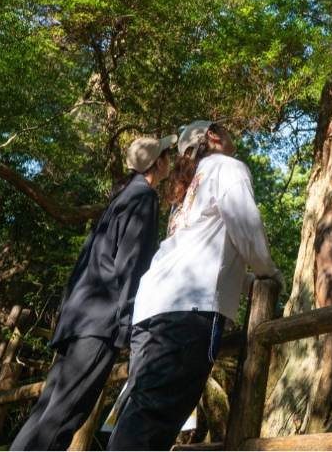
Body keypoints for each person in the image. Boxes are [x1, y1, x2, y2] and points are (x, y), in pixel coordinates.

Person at [107, 119, 282, 450]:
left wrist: (247, 283)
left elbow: (211, 254)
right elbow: (246, 226)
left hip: (151, 309)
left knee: (140, 410)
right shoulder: (226, 167)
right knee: (152, 422)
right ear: (213, 136)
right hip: (189, 313)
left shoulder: (186, 190)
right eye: (224, 129)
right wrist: (268, 274)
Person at [10, 135, 172, 451]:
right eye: (168, 154)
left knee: (44, 413)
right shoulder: (144, 199)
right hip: (101, 324)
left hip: (77, 319)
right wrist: (126, 327)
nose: (172, 160)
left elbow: (86, 264)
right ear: (159, 162)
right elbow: (130, 266)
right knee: (62, 419)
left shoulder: (119, 200)